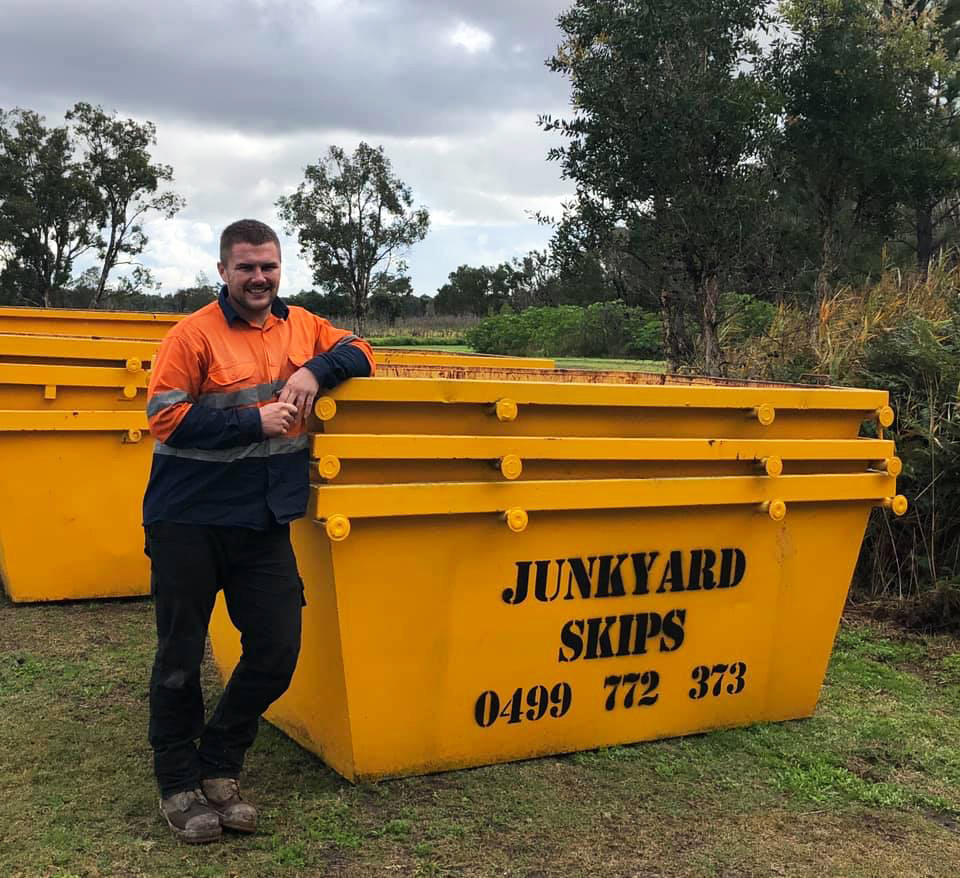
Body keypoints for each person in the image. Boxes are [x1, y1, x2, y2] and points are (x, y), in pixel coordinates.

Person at [142, 218, 375, 844]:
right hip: (188, 519)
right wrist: (255, 422)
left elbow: (364, 351)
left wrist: (316, 372)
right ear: (223, 271)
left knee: (277, 649)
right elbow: (164, 418)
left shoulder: (303, 327)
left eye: (268, 265)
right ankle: (178, 784)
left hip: (263, 521)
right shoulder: (192, 335)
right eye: (246, 267)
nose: (259, 277)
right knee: (179, 658)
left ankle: (219, 762)